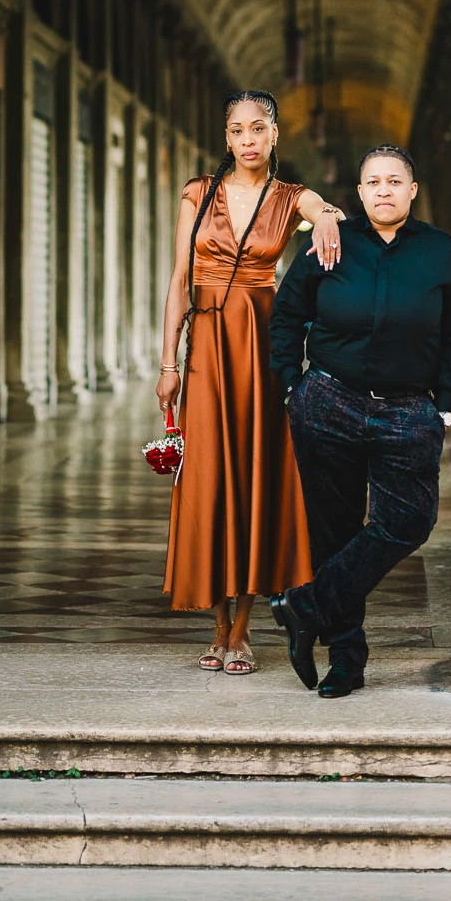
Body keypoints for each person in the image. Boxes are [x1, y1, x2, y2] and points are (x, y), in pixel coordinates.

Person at [158, 90, 343, 676]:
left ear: (274, 135)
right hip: (207, 348)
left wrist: (330, 222)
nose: (247, 139)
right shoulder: (198, 194)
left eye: (258, 128)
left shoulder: (290, 198)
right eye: (237, 129)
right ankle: (215, 622)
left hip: (262, 347)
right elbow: (180, 279)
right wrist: (167, 364)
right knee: (210, 477)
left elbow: (329, 212)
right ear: (227, 136)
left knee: (255, 475)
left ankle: (242, 629)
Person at [269, 144, 451, 698]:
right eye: (373, 182)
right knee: (334, 530)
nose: (383, 190)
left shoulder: (443, 253)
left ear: (412, 190)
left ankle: (305, 605)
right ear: (358, 194)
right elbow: (287, 315)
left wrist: (445, 401)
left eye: (394, 181)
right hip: (328, 400)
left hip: (407, 408)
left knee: (409, 522)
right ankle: (346, 662)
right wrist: (291, 383)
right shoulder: (329, 242)